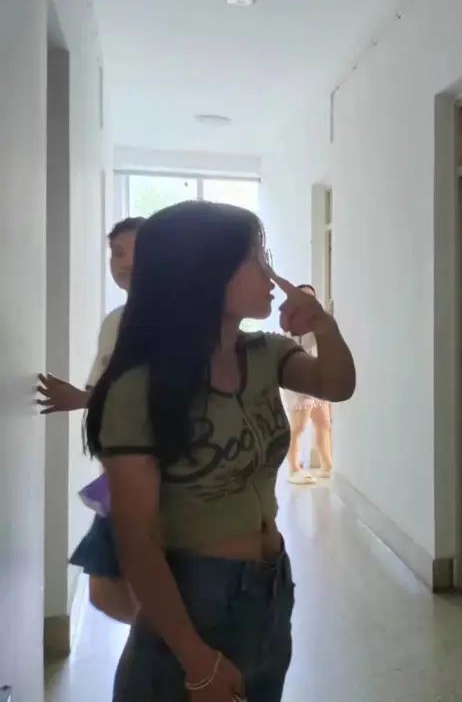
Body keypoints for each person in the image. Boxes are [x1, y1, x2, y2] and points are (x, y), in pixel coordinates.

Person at [85, 201, 355, 702]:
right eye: (253, 257)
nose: (269, 272)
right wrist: (196, 661)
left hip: (270, 588)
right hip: (192, 600)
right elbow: (137, 539)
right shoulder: (140, 387)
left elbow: (337, 384)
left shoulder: (265, 354)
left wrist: (323, 324)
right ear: (204, 271)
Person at [37, 216, 145, 623]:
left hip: (150, 476)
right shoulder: (116, 321)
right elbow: (107, 387)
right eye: (117, 253)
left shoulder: (173, 321)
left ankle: (167, 648)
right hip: (115, 473)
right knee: (108, 589)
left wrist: (80, 398)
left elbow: (149, 395)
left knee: (129, 587)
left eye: (137, 251)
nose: (125, 262)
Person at [282, 284, 334, 485]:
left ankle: (327, 465)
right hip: (299, 382)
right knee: (298, 427)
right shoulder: (290, 323)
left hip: (318, 381)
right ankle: (294, 468)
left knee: (323, 423)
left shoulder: (318, 322)